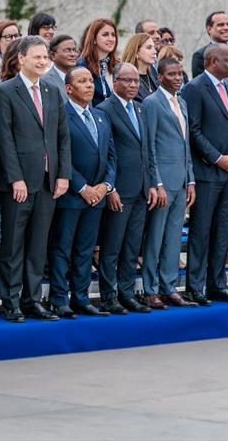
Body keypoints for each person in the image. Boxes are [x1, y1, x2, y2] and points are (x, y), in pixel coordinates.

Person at [0, 35, 70, 322]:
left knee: (38, 245)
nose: (42, 61)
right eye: (36, 56)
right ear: (20, 59)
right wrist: (15, 179)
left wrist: (63, 174)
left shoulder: (51, 91)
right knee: (13, 245)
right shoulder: (6, 92)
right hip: (18, 184)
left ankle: (32, 299)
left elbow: (62, 136)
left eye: (45, 57)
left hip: (48, 181)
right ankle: (11, 301)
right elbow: (4, 140)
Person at [181, 44, 228, 304]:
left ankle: (217, 283)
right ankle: (195, 286)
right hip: (208, 171)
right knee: (201, 230)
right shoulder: (195, 88)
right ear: (211, 61)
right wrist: (218, 158)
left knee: (223, 230)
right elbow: (194, 131)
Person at [48, 67, 115, 318]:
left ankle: (81, 297)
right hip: (72, 195)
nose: (89, 85)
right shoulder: (61, 115)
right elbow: (60, 156)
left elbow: (111, 155)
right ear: (68, 88)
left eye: (90, 81)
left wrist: (104, 186)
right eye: (82, 81)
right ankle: (58, 298)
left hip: (96, 197)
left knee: (85, 249)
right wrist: (83, 187)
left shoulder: (100, 116)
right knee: (62, 248)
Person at [97, 63, 156, 314]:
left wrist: (152, 183)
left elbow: (147, 150)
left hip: (141, 190)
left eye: (136, 81)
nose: (133, 85)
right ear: (115, 82)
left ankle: (127, 293)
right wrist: (110, 189)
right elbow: (106, 154)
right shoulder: (104, 110)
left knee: (132, 246)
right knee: (112, 247)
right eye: (127, 80)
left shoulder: (142, 110)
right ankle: (109, 296)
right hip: (118, 190)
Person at [142, 58, 196, 309]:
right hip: (163, 184)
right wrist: (157, 182)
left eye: (179, 74)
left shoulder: (182, 102)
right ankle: (150, 289)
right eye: (171, 74)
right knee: (155, 237)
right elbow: (149, 146)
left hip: (181, 181)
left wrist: (191, 180)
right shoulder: (152, 103)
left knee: (174, 237)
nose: (177, 78)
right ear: (159, 77)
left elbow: (185, 146)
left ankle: (169, 287)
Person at [77, 18, 118, 106]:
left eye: (113, 35)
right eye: (105, 35)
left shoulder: (117, 65)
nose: (111, 39)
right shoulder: (82, 65)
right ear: (94, 39)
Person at [191, 11, 228, 78]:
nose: (226, 28)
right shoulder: (200, 55)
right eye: (221, 25)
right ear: (209, 29)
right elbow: (199, 84)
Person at [119, 33, 158, 101]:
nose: (154, 51)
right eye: (149, 48)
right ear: (136, 52)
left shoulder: (154, 74)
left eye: (154, 47)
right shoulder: (126, 79)